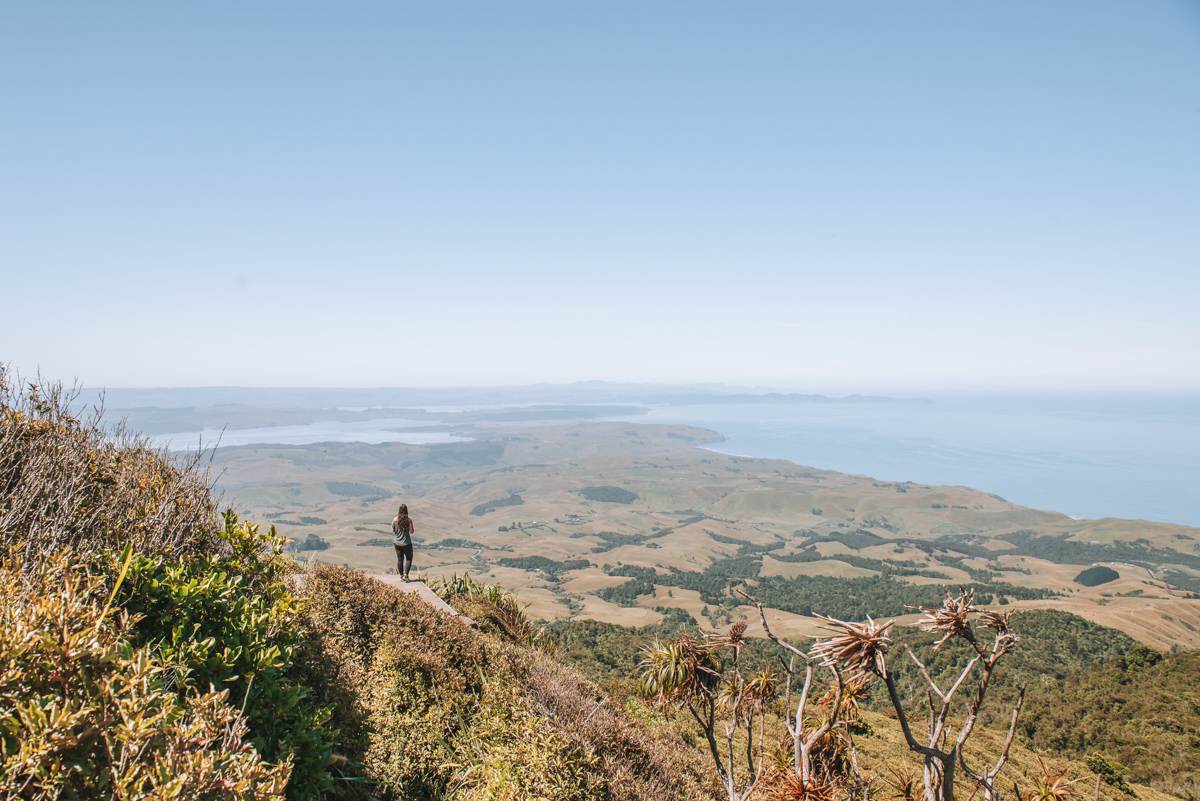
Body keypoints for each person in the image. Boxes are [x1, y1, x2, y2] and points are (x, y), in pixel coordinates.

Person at [392, 503, 415, 581]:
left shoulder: (395, 519)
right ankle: (406, 575)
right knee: (408, 559)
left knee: (400, 559)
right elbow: (412, 532)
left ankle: (401, 576)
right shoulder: (409, 520)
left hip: (397, 543)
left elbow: (393, 530)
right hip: (407, 543)